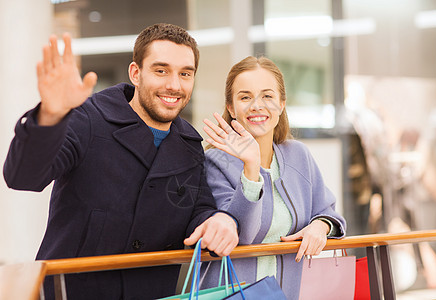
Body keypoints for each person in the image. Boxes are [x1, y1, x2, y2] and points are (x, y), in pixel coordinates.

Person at [3, 23, 239, 300]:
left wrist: (221, 219)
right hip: (73, 292)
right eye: (161, 70)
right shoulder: (88, 118)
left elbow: (197, 211)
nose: (174, 85)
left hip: (152, 292)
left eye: (185, 74)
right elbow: (24, 177)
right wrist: (50, 117)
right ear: (136, 73)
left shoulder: (190, 145)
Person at [199, 56, 346, 299]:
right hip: (234, 294)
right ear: (231, 108)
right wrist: (251, 166)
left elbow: (329, 212)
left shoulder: (298, 155)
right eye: (245, 97)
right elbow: (243, 234)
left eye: (267, 96)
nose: (257, 105)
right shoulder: (216, 162)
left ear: (281, 103)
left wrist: (319, 227)